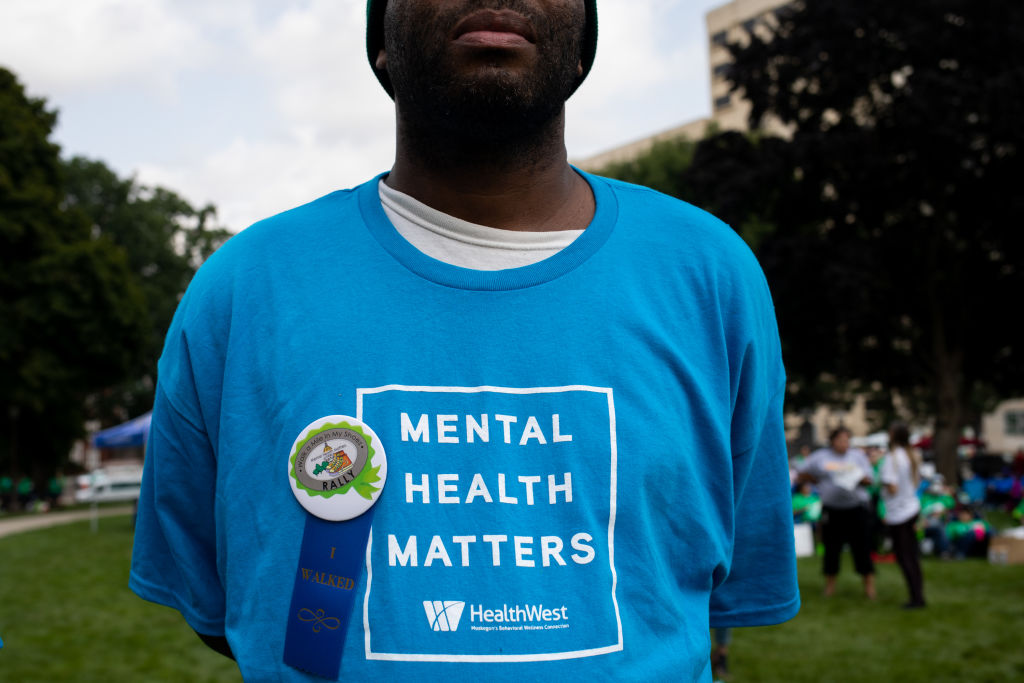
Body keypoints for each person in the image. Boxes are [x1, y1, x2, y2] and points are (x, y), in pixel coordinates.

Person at [129, 1, 800, 680]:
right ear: (381, 42)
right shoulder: (243, 291)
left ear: (581, 50)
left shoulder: (710, 277)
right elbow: (235, 611)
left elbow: (718, 588)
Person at [797, 427, 876, 598]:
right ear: (832, 441)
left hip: (856, 508)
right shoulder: (820, 457)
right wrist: (817, 480)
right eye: (840, 440)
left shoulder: (857, 457)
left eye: (847, 440)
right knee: (831, 548)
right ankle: (830, 587)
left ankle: (869, 586)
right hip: (832, 510)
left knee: (861, 548)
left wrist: (859, 479)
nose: (844, 444)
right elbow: (801, 473)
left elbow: (870, 480)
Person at [879, 422, 925, 608]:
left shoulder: (893, 458)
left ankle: (916, 599)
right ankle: (917, 595)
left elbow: (892, 487)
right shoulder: (911, 455)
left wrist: (880, 486)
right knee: (912, 557)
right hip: (911, 508)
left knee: (905, 557)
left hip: (899, 513)